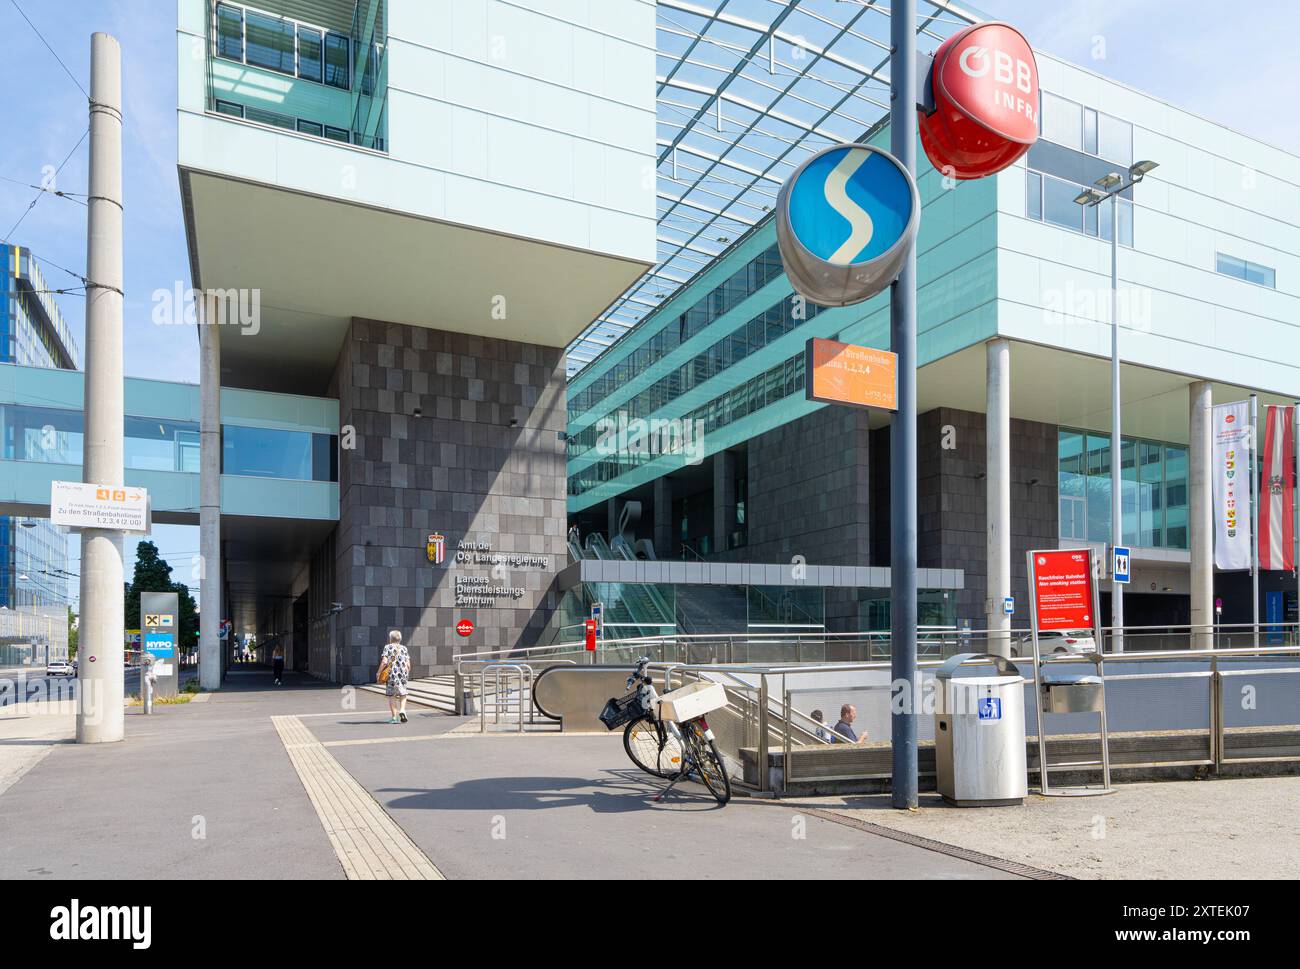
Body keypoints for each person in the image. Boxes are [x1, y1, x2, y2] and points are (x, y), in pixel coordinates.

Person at [378, 629, 411, 724]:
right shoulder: (404, 648)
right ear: (400, 639)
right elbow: (408, 664)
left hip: (391, 675)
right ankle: (403, 710)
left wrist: (379, 672)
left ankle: (394, 718)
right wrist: (406, 674)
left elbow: (384, 662)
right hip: (403, 675)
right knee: (403, 693)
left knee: (392, 695)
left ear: (390, 639)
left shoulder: (387, 647)